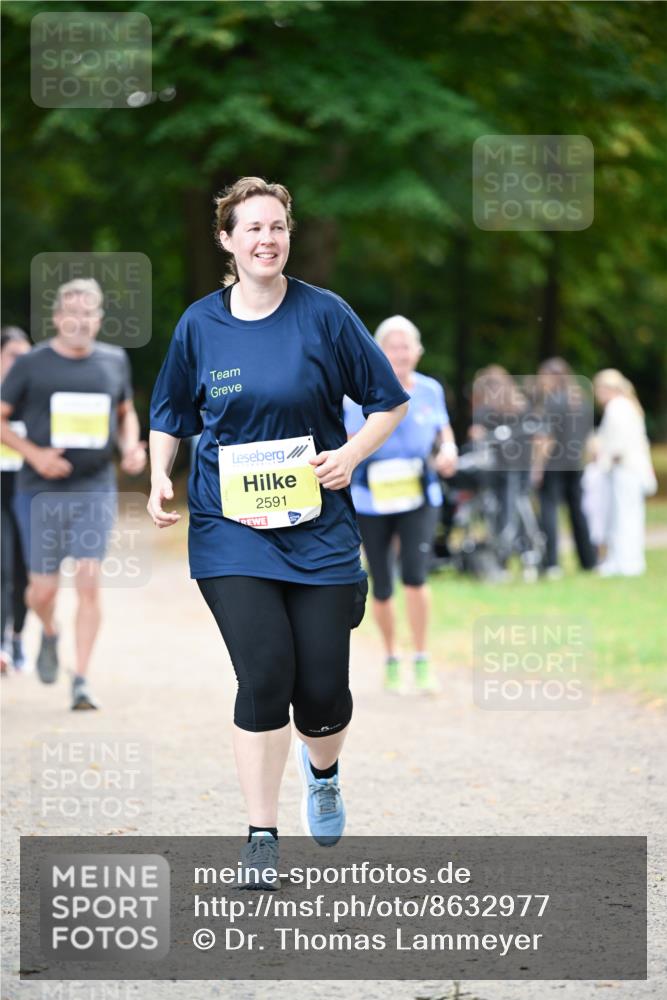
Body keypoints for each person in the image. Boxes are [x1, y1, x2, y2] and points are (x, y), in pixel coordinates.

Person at [147, 177, 408, 886]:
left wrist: (350, 455)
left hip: (318, 530)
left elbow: (388, 401)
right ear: (227, 241)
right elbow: (170, 410)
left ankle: (322, 775)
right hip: (231, 530)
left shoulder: (325, 316)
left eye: (277, 227)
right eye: (251, 228)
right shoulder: (200, 325)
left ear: (288, 235)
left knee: (321, 695)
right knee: (264, 676)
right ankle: (260, 835)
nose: (267, 239)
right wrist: (159, 476)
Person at [0, 279, 146, 708]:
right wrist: (36, 455)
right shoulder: (32, 363)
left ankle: (80, 678)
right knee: (41, 590)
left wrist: (130, 447)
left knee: (88, 581)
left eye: (88, 314)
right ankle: (48, 631)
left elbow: (125, 413)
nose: (80, 321)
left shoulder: (113, 361)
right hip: (40, 488)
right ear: (57, 317)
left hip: (94, 485)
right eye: (72, 313)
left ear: (98, 319)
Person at [344, 315, 456, 694]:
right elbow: (346, 440)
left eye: (406, 345)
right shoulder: (356, 393)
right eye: (392, 345)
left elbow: (444, 433)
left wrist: (449, 451)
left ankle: (422, 658)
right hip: (370, 499)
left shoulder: (429, 390)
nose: (400, 352)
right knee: (383, 582)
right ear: (378, 351)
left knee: (416, 576)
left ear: (418, 352)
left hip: (418, 496)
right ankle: (392, 656)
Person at [532, 358, 597, 578]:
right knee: (578, 512)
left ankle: (551, 563)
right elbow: (589, 438)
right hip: (575, 464)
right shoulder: (581, 402)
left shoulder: (552, 402)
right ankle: (589, 561)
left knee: (549, 512)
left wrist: (537, 468)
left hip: (554, 465)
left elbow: (546, 439)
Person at [592, 369, 656, 577]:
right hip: (631, 469)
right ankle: (625, 561)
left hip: (625, 470)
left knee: (623, 517)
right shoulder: (627, 406)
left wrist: (603, 460)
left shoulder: (617, 407)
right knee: (628, 516)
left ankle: (626, 562)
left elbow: (616, 445)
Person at [1, 327, 31, 674]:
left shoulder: (33, 396)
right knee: (2, 569)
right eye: (14, 355)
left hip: (28, 495)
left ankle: (19, 636)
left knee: (25, 575)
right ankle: (1, 644)